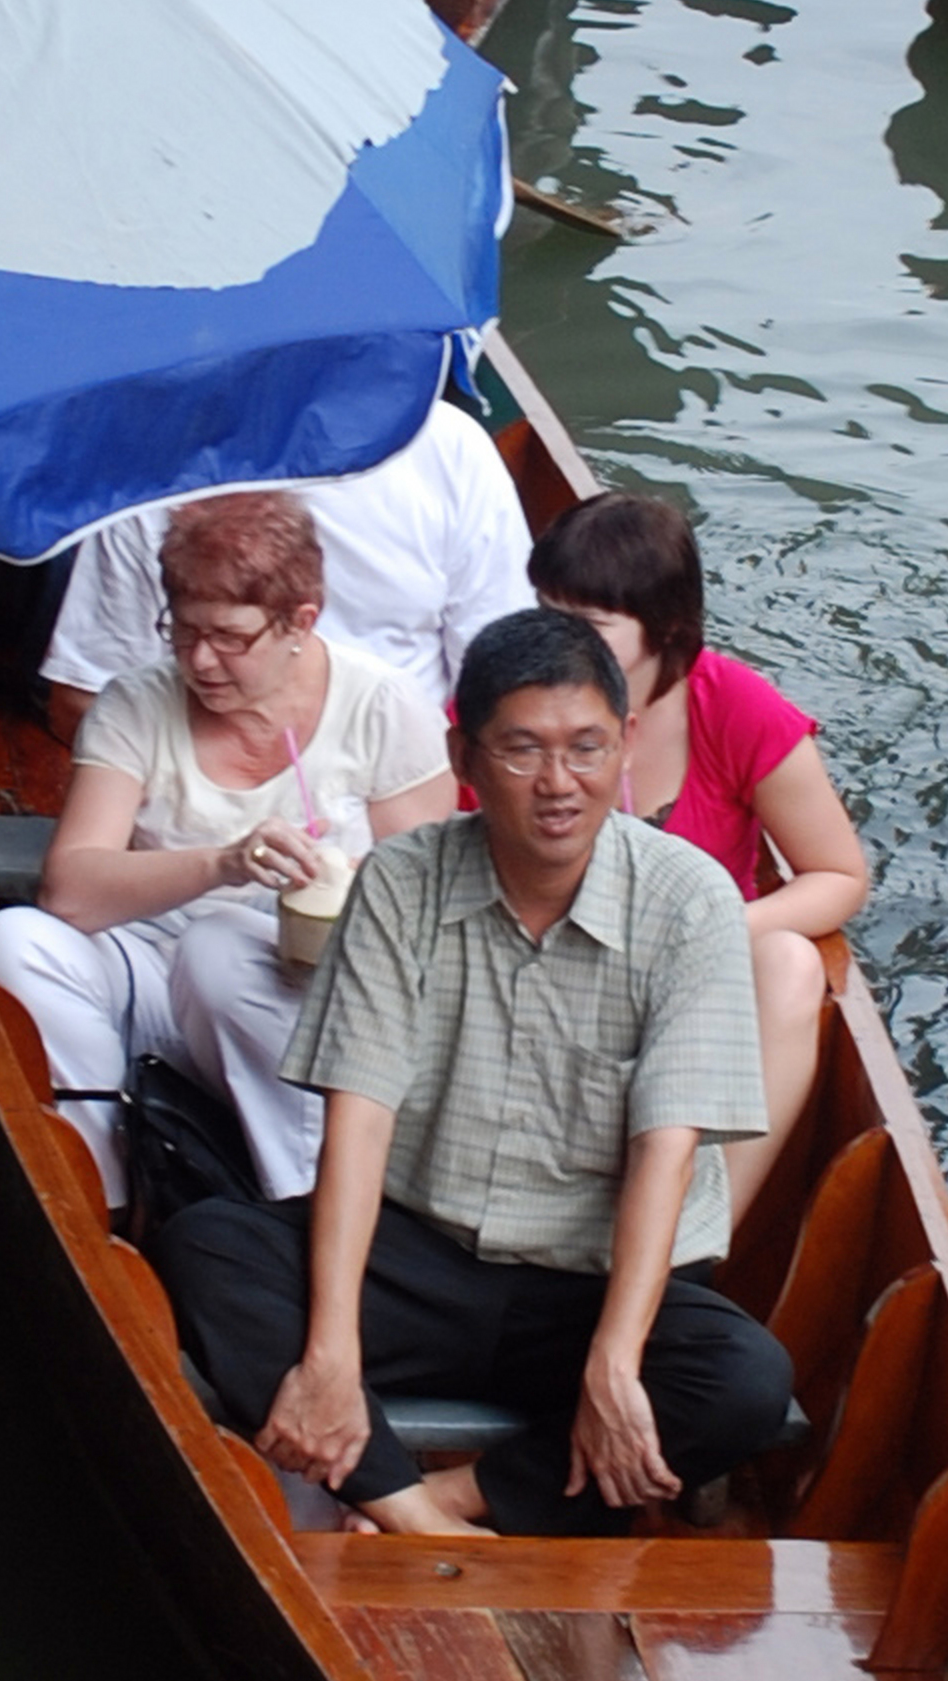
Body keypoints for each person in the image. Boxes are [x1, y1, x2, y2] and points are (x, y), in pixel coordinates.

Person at [156, 607, 808, 1535]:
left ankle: (455, 1501)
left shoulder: (688, 898)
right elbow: (361, 1118)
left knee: (741, 1382)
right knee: (207, 1248)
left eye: (586, 749)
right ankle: (407, 1509)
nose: (558, 784)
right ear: (464, 760)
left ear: (626, 746)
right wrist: (333, 1351)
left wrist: (614, 1362)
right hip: (423, 1256)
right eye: (522, 751)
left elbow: (668, 1148)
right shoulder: (401, 881)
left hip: (588, 1285)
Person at [0, 482, 458, 1211]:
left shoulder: (383, 710)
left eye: (230, 638)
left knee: (223, 948)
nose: (200, 662)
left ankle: (298, 1196)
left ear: (300, 620)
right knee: (13, 942)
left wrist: (336, 900)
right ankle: (102, 1187)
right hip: (151, 976)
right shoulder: (138, 704)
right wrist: (221, 863)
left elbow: (433, 921)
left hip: (297, 1008)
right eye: (183, 631)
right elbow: (69, 891)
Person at [527, 483, 871, 1190]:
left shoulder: (735, 705)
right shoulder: (514, 699)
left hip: (694, 983)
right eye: (546, 617)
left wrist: (711, 928)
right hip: (546, 976)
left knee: (791, 965)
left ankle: (708, 1238)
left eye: (589, 625)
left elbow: (838, 876)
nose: (556, 646)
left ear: (665, 632)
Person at [47, 389, 533, 746]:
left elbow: (503, 675)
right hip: (200, 784)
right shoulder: (160, 471)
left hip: (397, 774)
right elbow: (86, 699)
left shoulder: (448, 447)